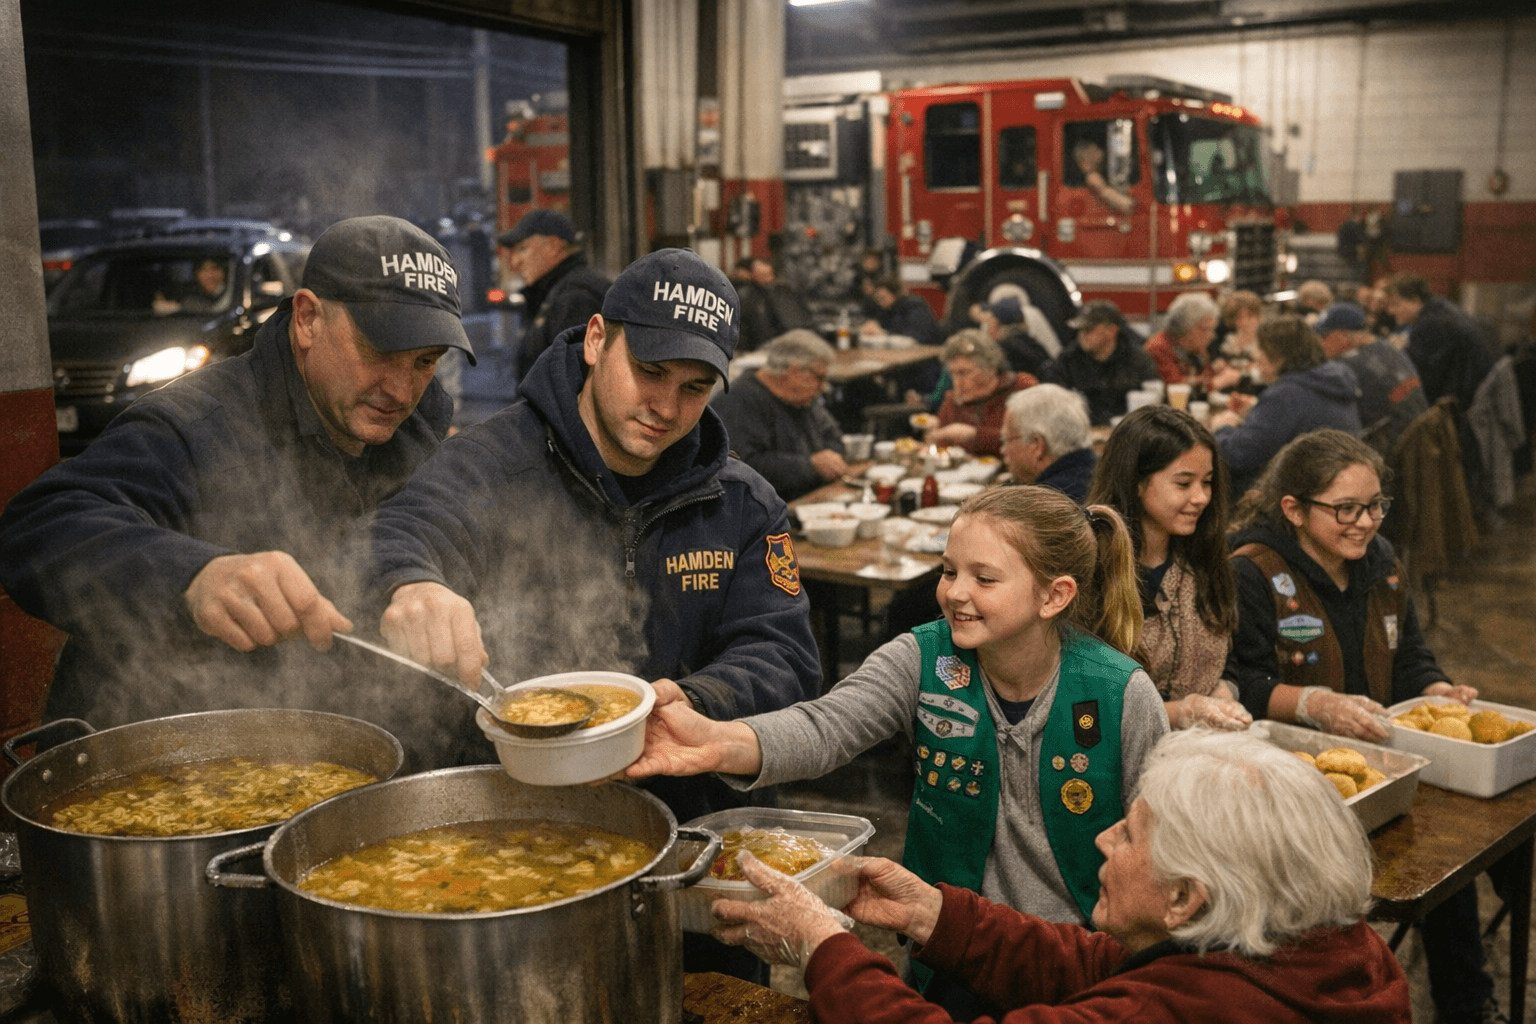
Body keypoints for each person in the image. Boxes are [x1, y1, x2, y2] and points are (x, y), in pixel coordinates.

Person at [366, 248, 820, 982]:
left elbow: (785, 657)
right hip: (509, 849)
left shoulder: (742, 503)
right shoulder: (490, 464)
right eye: (650, 372)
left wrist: (694, 702)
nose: (665, 407)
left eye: (695, 388)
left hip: (688, 852)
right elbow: (401, 530)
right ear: (599, 339)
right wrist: (411, 584)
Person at [629, 484, 1168, 1018]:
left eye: (984, 579)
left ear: (1054, 596)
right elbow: (826, 726)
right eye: (949, 571)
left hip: (1079, 965)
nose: (956, 592)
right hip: (948, 949)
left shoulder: (1121, 693)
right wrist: (715, 740)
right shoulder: (923, 657)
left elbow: (1163, 849)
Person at [0, 216, 473, 759]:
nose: (402, 390)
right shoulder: (197, 423)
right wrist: (193, 575)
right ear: (308, 319)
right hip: (154, 754)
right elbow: (37, 525)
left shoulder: (417, 424)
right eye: (379, 352)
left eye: (424, 362)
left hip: (316, 742)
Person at [701, 728, 1410, 1024]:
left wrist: (822, 945)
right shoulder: (1335, 950)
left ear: (1185, 898)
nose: (1104, 838)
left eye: (1129, 834)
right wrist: (934, 915)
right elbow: (1100, 966)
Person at [1223, 429, 1501, 1024]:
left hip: (1385, 765)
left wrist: (1436, 690)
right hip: (1294, 785)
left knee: (1452, 856)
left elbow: (1410, 657)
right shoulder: (1252, 572)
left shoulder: (1382, 564)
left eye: (1375, 505)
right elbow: (1237, 683)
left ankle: (1467, 1004)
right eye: (1345, 509)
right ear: (1294, 509)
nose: (1366, 522)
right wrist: (1315, 704)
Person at [1086, 407, 1248, 731]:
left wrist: (1225, 691)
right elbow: (1088, 701)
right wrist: (1181, 712)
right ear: (1136, 482)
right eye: (1183, 483)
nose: (1201, 498)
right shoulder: (1092, 570)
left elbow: (1230, 658)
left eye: (1207, 482)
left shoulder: (1204, 559)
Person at [1208, 315, 1362, 497]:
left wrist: (1222, 427)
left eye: (1261, 349)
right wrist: (1255, 412)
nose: (1256, 356)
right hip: (1334, 486)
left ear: (1277, 355)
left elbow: (1236, 455)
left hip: (1297, 496)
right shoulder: (1330, 379)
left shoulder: (1285, 395)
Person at [710, 329, 850, 501]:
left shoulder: (803, 398)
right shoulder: (738, 402)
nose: (824, 387)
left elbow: (834, 438)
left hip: (814, 497)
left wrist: (829, 461)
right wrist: (809, 467)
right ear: (794, 371)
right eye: (819, 377)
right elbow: (740, 468)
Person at [499, 209, 611, 381]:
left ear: (553, 246)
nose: (515, 262)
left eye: (523, 249)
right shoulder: (555, 292)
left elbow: (573, 382)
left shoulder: (576, 298)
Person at [1315, 301, 1427, 456]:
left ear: (1343, 335)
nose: (1320, 343)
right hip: (1420, 444)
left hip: (1391, 454)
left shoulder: (1348, 366)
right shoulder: (1389, 347)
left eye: (1324, 336)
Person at [1382, 273, 1494, 415]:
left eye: (1395, 304)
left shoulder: (1431, 324)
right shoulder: (1440, 308)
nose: (1391, 311)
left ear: (1415, 300)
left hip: (1462, 407)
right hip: (1476, 397)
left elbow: (1416, 379)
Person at [1044, 299, 1160, 425]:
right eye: (1079, 329)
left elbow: (1153, 399)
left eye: (1088, 329)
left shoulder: (1138, 360)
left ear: (1112, 330)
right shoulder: (1067, 360)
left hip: (1127, 430)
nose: (1082, 335)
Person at [927, 330, 1037, 456]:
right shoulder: (953, 402)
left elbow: (1033, 442)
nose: (957, 383)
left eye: (964, 373)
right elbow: (939, 449)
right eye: (953, 374)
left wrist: (976, 436)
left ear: (990, 368)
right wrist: (932, 435)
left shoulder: (1022, 387)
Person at [1000, 384, 1096, 501]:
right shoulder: (1100, 473)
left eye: (1005, 440)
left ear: (1036, 445)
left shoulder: (1046, 503)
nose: (1003, 450)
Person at [1142, 293, 1242, 393]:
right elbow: (1174, 388)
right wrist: (1218, 382)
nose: (1212, 335)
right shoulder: (1158, 347)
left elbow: (1203, 377)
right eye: (1206, 329)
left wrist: (1215, 371)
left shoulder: (1194, 347)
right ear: (1187, 328)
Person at [736, 255, 815, 353]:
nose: (767, 279)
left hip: (786, 343)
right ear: (752, 275)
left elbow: (794, 321)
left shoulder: (783, 292)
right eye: (762, 275)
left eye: (769, 275)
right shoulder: (746, 296)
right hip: (758, 348)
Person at [978, 296, 1053, 378]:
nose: (987, 325)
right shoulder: (1027, 341)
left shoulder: (1006, 351)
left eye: (990, 319)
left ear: (997, 324)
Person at [861, 274, 944, 348]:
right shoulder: (885, 310)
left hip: (930, 350)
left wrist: (883, 332)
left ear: (894, 294)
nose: (880, 303)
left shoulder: (914, 305)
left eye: (883, 298)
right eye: (877, 299)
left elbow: (916, 335)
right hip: (907, 351)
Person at [1072, 138, 1135, 215]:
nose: (1101, 151)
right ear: (1088, 157)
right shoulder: (1092, 177)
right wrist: (1126, 202)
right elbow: (1105, 192)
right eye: (1095, 150)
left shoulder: (1094, 174)